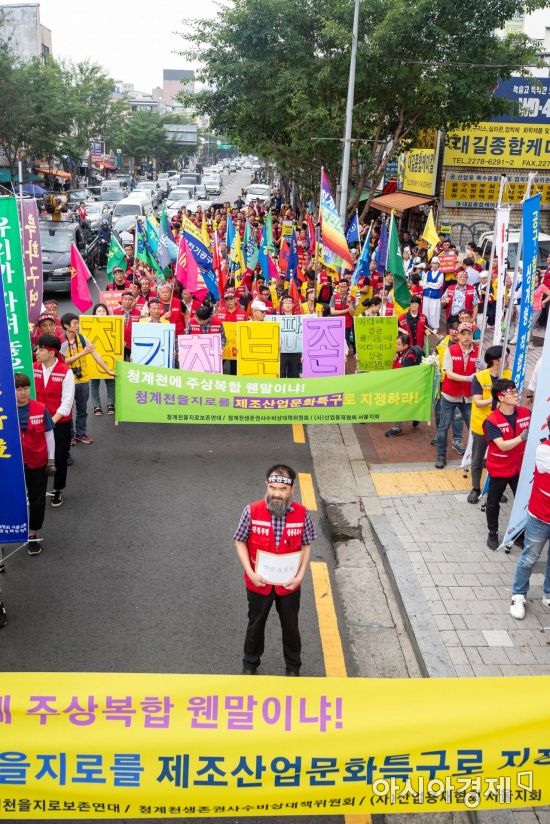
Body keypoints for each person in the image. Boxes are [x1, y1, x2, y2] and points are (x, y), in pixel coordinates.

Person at [233, 464, 316, 676]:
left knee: (290, 626)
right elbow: (240, 541)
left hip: (289, 584)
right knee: (255, 624)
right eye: (273, 488)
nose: (277, 494)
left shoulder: (302, 514)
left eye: (282, 489)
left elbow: (306, 545)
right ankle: (250, 664)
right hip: (258, 582)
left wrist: (300, 576)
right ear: (267, 486)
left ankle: (293, 667)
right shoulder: (251, 511)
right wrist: (250, 573)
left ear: (292, 489)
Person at [510, 415, 550, 619]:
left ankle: (548, 593)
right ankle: (518, 594)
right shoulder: (543, 450)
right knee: (529, 558)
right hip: (540, 518)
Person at [483, 378, 531, 549]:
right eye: (512, 392)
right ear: (501, 397)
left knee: (523, 502)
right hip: (500, 469)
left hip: (520, 467)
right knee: (493, 502)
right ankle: (493, 533)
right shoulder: (492, 421)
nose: (517, 395)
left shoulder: (526, 413)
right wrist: (522, 437)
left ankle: (518, 534)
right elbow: (502, 446)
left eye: (516, 391)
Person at [60, 313, 115, 445]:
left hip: (83, 380)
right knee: (67, 410)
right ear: (66, 326)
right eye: (74, 323)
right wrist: (83, 353)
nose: (77, 326)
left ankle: (81, 433)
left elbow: (96, 354)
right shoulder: (61, 342)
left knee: (82, 410)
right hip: (67, 382)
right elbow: (62, 362)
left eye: (77, 323)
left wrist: (108, 370)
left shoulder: (82, 338)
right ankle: (70, 435)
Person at [33, 334, 75, 509]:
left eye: (40, 349)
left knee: (59, 457)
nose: (36, 352)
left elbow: (67, 403)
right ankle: (37, 489)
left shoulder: (65, 372)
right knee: (36, 456)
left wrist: (50, 422)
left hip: (59, 423)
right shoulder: (33, 368)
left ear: (51, 352)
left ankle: (58, 489)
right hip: (36, 421)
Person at [15, 373, 55, 555]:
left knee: (37, 500)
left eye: (25, 388)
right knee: (11, 499)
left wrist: (51, 460)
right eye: (18, 389)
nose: (23, 392)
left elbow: (49, 435)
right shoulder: (5, 410)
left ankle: (32, 534)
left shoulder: (40, 408)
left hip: (38, 462)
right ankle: (9, 534)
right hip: (13, 464)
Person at [467, 346, 511, 504]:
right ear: (495, 360)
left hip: (502, 424)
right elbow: (477, 402)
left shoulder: (509, 376)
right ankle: (475, 488)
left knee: (500, 459)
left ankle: (496, 489)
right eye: (506, 357)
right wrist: (495, 399)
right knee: (477, 458)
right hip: (482, 424)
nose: (508, 360)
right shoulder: (479, 377)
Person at [435, 322, 478, 468]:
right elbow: (449, 373)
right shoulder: (450, 350)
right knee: (444, 426)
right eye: (463, 334)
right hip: (450, 394)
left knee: (474, 427)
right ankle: (440, 456)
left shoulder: (477, 352)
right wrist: (468, 378)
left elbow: (481, 372)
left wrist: (482, 369)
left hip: (468, 396)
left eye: (469, 334)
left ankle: (476, 457)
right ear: (458, 335)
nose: (466, 337)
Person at [385, 332, 421, 438]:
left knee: (397, 404)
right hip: (399, 384)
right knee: (408, 403)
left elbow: (406, 374)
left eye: (398, 344)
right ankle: (416, 415)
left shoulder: (409, 356)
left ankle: (397, 428)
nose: (396, 346)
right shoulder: (400, 353)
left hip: (404, 385)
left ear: (405, 346)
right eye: (396, 344)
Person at [90, 303, 118, 415]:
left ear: (107, 313)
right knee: (94, 383)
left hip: (109, 357)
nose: (101, 313)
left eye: (103, 311)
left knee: (110, 381)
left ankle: (111, 404)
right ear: (94, 313)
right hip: (93, 358)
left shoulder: (113, 324)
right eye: (99, 311)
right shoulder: (89, 324)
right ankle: (96, 406)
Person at [113, 291, 141, 362]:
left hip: (133, 344)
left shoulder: (138, 313)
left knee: (133, 363)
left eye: (129, 300)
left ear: (133, 301)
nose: (127, 301)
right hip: (119, 344)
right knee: (119, 363)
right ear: (122, 300)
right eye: (125, 299)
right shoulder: (114, 312)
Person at [278, 295, 301, 378]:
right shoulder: (277, 319)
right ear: (282, 305)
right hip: (282, 351)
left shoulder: (299, 319)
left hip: (295, 351)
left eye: (289, 302)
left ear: (293, 305)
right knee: (281, 374)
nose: (287, 305)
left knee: (294, 374)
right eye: (285, 303)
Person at [330, 279, 355, 354]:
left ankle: (344, 358)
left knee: (345, 344)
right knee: (335, 343)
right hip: (335, 324)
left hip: (347, 325)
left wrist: (350, 303)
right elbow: (332, 312)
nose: (342, 288)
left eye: (344, 287)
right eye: (340, 286)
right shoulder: (334, 297)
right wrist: (346, 310)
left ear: (348, 287)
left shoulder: (352, 298)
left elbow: (352, 313)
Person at [421, 256, 444, 331]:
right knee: (425, 310)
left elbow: (437, 286)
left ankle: (435, 327)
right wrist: (430, 284)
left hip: (435, 295)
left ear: (438, 265)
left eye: (436, 263)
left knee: (434, 311)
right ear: (431, 264)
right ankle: (426, 326)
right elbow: (423, 284)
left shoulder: (441, 274)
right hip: (426, 295)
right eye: (433, 263)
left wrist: (428, 283)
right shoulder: (428, 273)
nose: (434, 265)